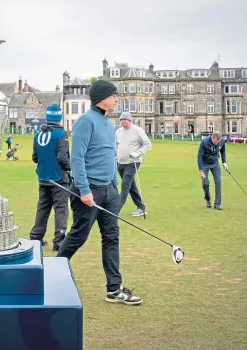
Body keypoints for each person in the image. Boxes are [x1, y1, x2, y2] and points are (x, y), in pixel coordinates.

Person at [57, 79, 143, 306]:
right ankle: (52, 274)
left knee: (111, 238)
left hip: (109, 190)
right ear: (103, 98)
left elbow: (108, 155)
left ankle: (113, 289)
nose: (116, 99)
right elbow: (77, 159)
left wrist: (114, 184)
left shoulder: (107, 124)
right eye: (113, 96)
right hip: (88, 191)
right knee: (78, 236)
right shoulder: (86, 122)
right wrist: (84, 190)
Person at [29, 104, 70, 251]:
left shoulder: (38, 134)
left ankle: (36, 237)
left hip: (43, 177)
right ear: (59, 118)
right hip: (58, 178)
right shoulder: (61, 134)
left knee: (43, 208)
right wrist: (71, 168)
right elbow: (62, 158)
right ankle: (59, 242)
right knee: (61, 210)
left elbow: (35, 157)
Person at [115, 111, 152, 216]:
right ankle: (141, 207)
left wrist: (138, 153)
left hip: (133, 162)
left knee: (125, 185)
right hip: (120, 163)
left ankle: (115, 210)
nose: (123, 122)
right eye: (121, 120)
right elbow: (116, 146)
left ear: (130, 120)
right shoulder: (118, 132)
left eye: (125, 120)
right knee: (131, 186)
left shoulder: (137, 130)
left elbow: (148, 144)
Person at [197, 131, 227, 210]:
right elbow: (199, 156)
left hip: (215, 163)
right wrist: (200, 170)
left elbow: (223, 151)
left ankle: (217, 204)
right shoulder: (204, 142)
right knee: (205, 183)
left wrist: (224, 162)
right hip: (204, 164)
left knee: (218, 181)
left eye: (218, 141)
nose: (217, 143)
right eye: (215, 142)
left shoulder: (222, 141)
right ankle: (208, 199)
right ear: (212, 138)